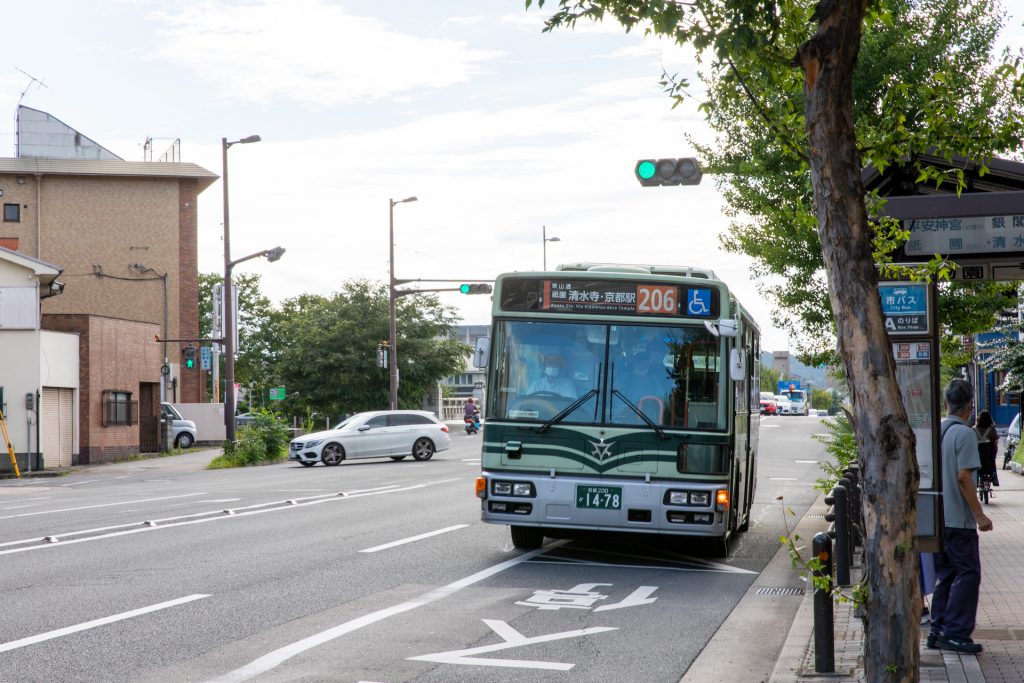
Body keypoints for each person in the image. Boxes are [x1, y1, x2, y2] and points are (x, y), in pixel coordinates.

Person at [928, 379, 993, 654]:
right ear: (969, 406)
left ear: (946, 404)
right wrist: (980, 516)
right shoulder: (965, 434)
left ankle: (938, 629)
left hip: (936, 520)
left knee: (947, 574)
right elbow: (964, 477)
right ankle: (955, 632)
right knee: (968, 574)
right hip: (958, 520)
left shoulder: (936, 432)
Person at [974, 410, 999, 487]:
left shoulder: (974, 429)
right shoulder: (992, 430)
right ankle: (994, 478)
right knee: (992, 463)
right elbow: (996, 441)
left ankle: (975, 481)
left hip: (977, 454)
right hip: (989, 454)